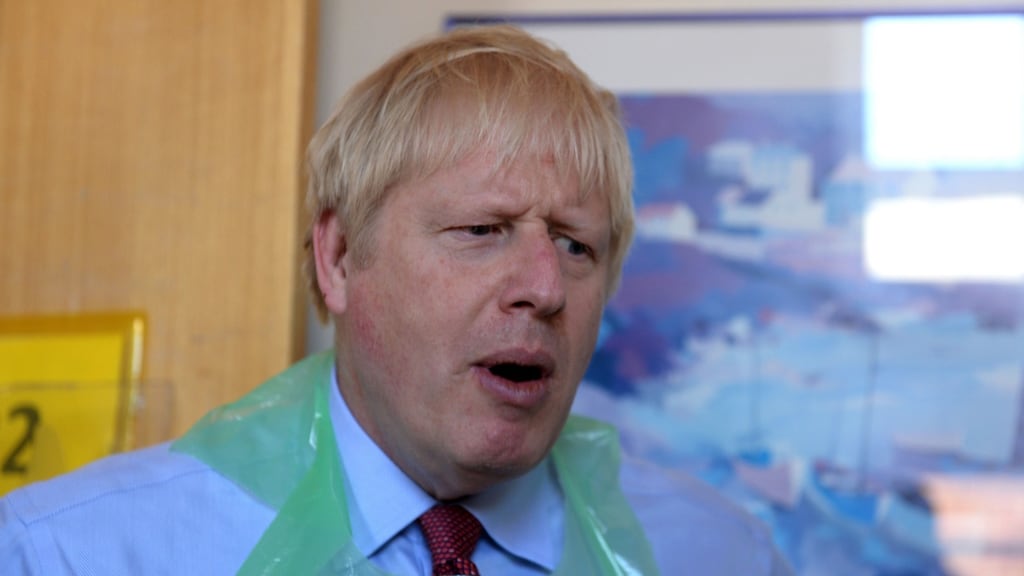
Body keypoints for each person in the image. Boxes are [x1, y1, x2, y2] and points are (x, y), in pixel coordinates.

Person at [0, 25, 792, 575]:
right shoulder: (72, 553)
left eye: (576, 245)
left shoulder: (721, 556)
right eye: (483, 229)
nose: (546, 289)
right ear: (340, 257)